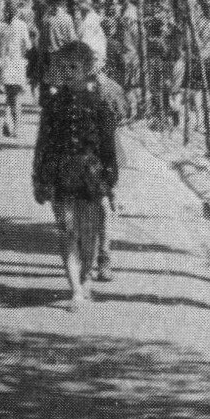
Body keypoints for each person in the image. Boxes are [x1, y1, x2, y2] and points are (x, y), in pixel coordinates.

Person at [31, 37, 118, 306]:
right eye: (64, 67)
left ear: (86, 68)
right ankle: (76, 289)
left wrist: (110, 179)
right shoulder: (53, 105)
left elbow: (108, 146)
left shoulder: (99, 104)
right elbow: (43, 143)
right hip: (60, 173)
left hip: (90, 175)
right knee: (68, 230)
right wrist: (39, 178)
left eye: (73, 67)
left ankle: (86, 274)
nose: (68, 72)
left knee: (88, 235)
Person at [94, 60, 128, 282]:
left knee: (105, 206)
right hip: (81, 153)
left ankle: (104, 258)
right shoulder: (70, 88)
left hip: (105, 153)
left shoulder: (111, 89)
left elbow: (122, 115)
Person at [0, 0, 32, 138]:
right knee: (16, 97)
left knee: (9, 94)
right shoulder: (22, 25)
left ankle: (7, 122)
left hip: (4, 65)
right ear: (17, 10)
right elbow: (28, 46)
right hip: (17, 64)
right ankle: (17, 127)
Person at [75, 0, 109, 71]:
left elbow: (85, 38)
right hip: (93, 52)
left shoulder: (90, 20)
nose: (79, 11)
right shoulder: (89, 18)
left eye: (80, 9)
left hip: (92, 52)